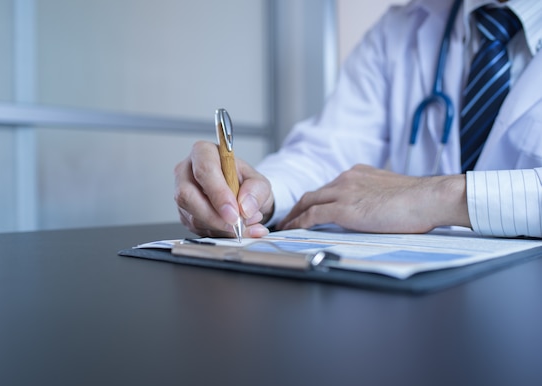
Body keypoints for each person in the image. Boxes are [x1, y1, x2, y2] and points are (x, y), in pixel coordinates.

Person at [174, 0, 542, 239]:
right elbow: (328, 152)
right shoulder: (401, 28)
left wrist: (443, 195)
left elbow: (432, 194)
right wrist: (259, 194)